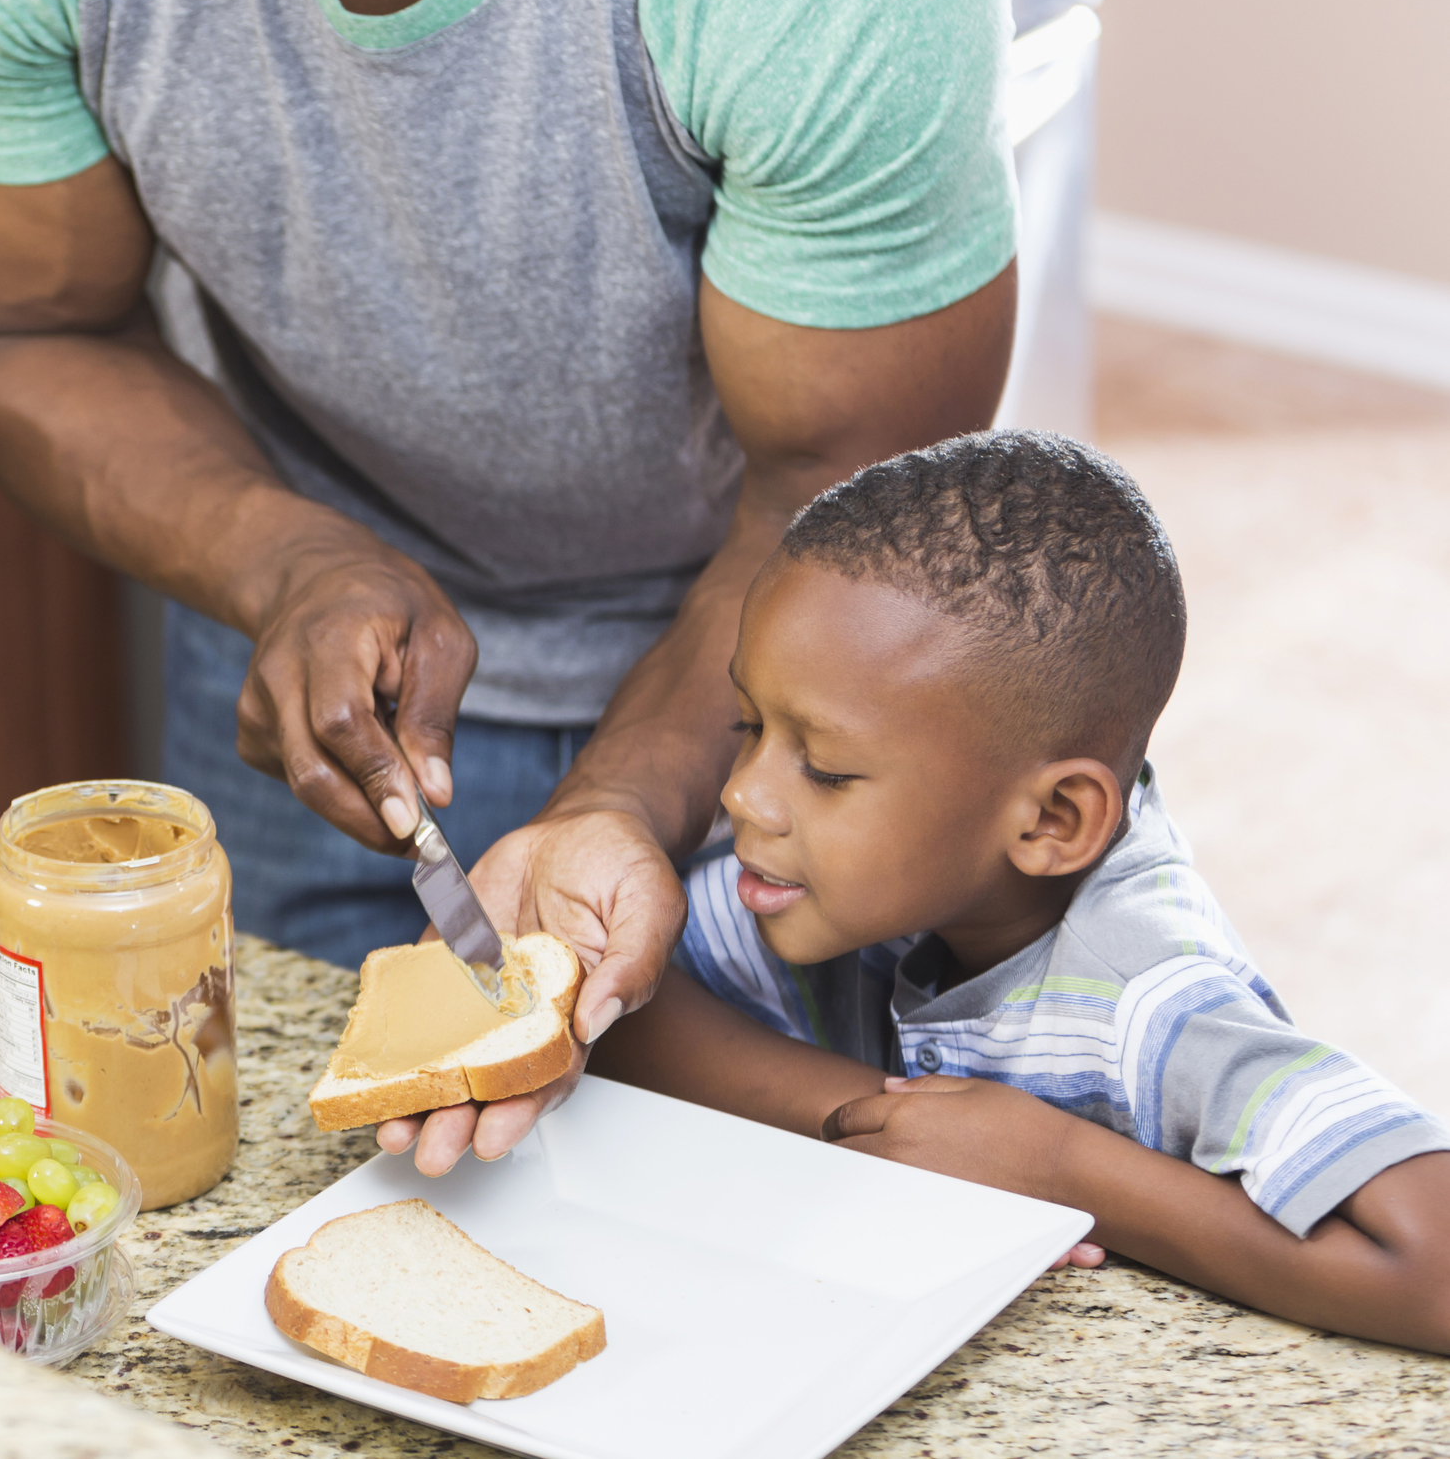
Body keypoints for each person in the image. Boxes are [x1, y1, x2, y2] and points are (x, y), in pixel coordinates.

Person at [0, 0, 1022, 1172]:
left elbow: (845, 489)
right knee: (272, 1200)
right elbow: (18, 327)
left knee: (798, 1225)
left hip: (785, 662)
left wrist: (619, 795)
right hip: (295, 637)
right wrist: (285, 566)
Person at [568, 430, 1450, 1351]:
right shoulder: (840, 886)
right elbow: (613, 1003)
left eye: (823, 770)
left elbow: (1431, 1261)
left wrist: (1065, 1170)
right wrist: (893, 1126)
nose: (742, 793)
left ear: (1051, 823)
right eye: (747, 727)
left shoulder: (1150, 1001)